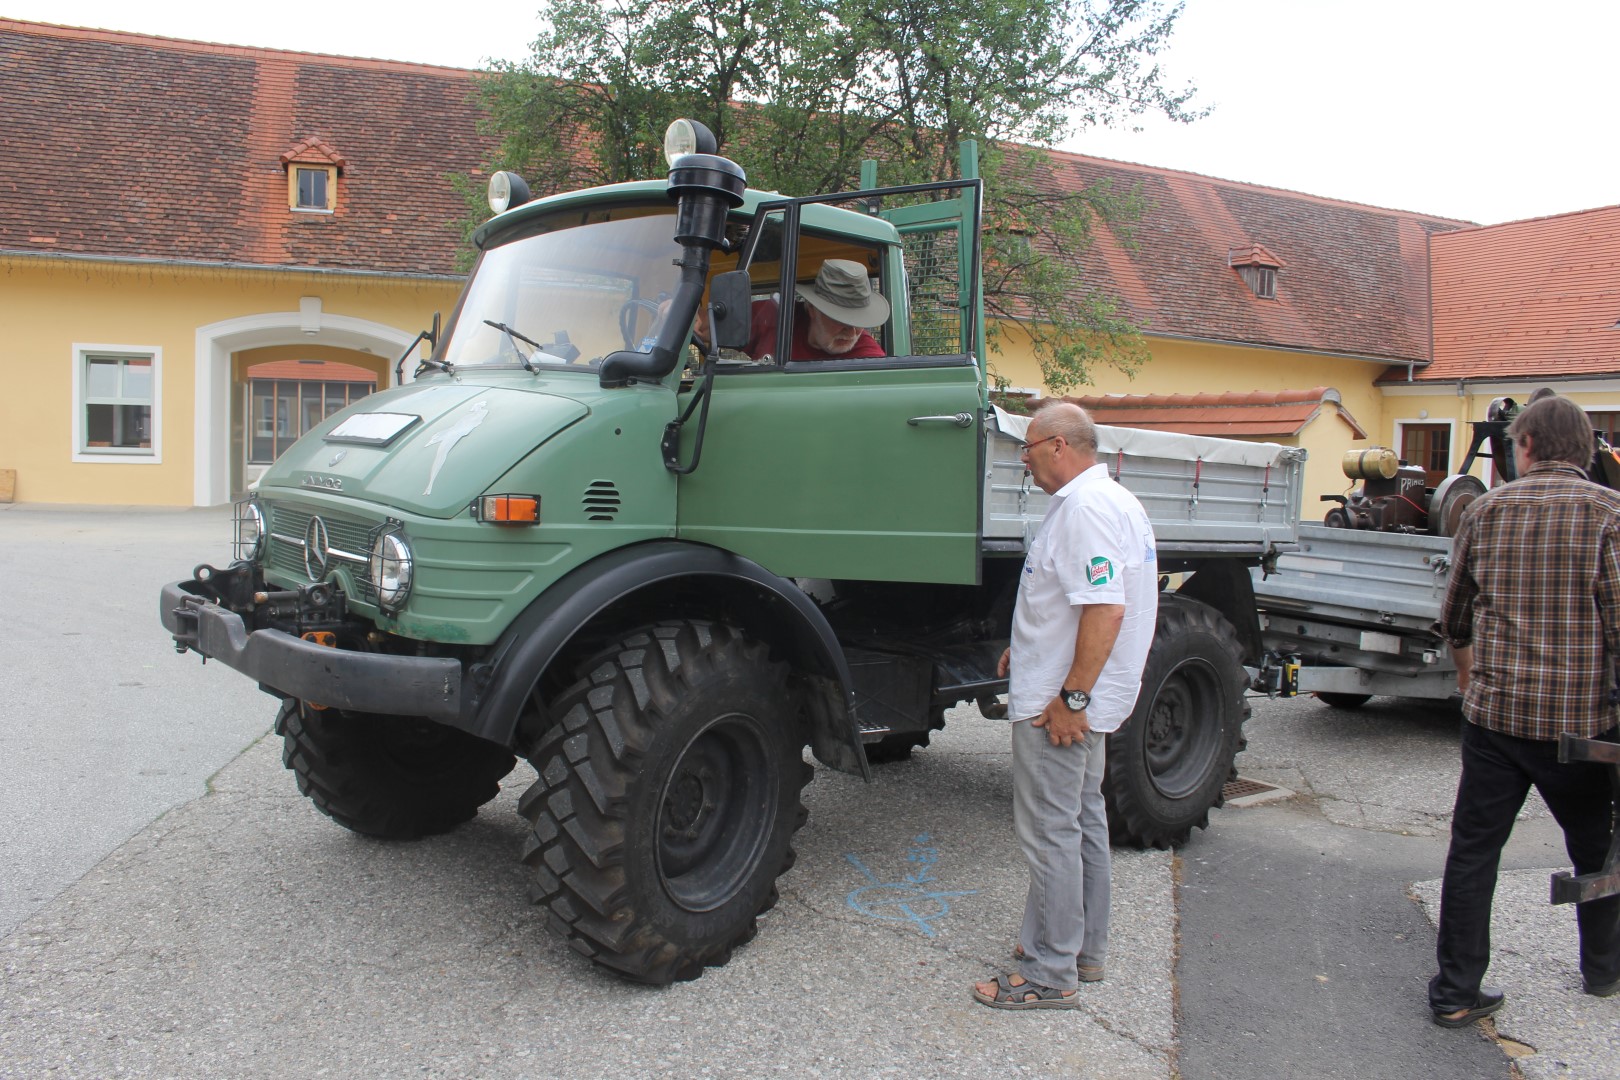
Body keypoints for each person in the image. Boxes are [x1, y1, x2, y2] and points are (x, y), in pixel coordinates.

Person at [1429, 394, 1620, 1028]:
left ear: (1528, 445)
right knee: (1597, 849)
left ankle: (1456, 990)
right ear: (1587, 449)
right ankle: (1603, 970)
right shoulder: (1609, 515)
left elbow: (1455, 616)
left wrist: (1468, 676)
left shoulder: (1485, 512)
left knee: (1474, 851)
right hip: (1582, 726)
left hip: (1496, 718)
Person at [971, 402, 1158, 1010]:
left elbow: (1106, 609)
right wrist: (1025, 651)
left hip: (1063, 707)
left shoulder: (1084, 510)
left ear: (1058, 445)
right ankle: (1084, 951)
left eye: (1027, 448)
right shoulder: (1114, 501)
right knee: (1082, 821)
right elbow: (1075, 602)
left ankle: (1052, 973)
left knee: (1051, 830)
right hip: (1076, 692)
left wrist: (1069, 697)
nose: (1022, 460)